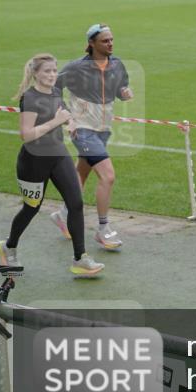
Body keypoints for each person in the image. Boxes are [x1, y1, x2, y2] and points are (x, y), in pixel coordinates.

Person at [0, 54, 105, 277]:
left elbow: (63, 112)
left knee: (76, 203)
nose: (52, 75)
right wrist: (56, 121)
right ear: (36, 73)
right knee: (31, 208)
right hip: (33, 162)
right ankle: (9, 246)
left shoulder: (55, 91)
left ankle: (80, 259)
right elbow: (26, 135)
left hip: (58, 155)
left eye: (55, 70)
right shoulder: (30, 98)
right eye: (47, 71)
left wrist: (70, 122)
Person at [51, 23, 132, 250]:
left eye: (111, 40)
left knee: (82, 172)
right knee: (107, 176)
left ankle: (63, 214)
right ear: (91, 43)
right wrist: (67, 116)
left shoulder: (117, 64)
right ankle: (103, 229)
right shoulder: (77, 67)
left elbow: (120, 88)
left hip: (103, 128)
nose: (110, 44)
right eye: (105, 41)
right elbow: (54, 87)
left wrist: (125, 93)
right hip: (83, 130)